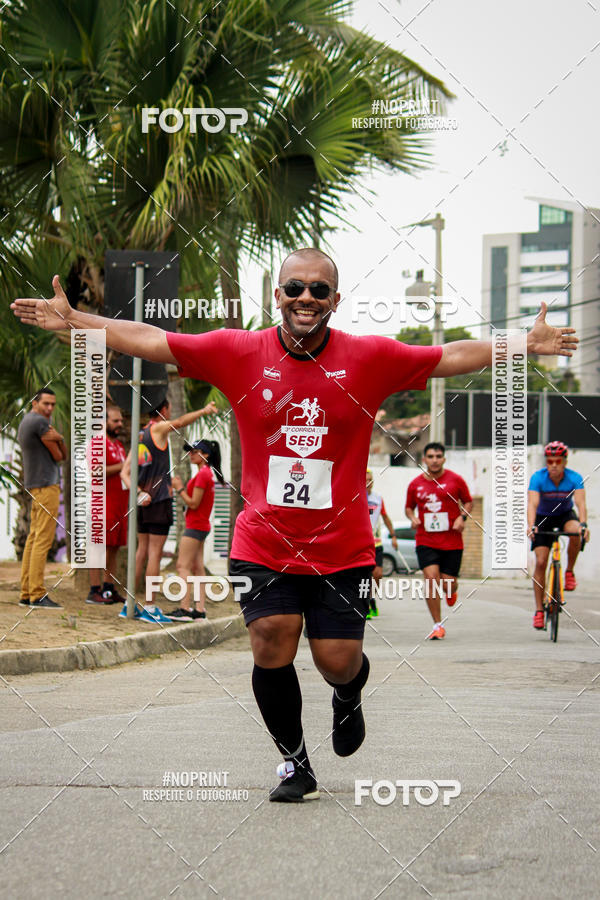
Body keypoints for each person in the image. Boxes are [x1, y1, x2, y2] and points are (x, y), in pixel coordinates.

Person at [12, 248, 578, 802]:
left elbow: (448, 355)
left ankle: (349, 688)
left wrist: (522, 344)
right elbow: (153, 340)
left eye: (319, 289)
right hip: (262, 540)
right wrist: (77, 319)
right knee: (269, 642)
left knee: (336, 661)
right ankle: (295, 763)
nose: (306, 298)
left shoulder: (368, 357)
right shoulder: (238, 351)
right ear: (277, 295)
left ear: (335, 300)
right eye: (295, 288)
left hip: (344, 547)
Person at [120, 395, 217, 622]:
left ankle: (129, 603)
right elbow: (181, 422)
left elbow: (125, 472)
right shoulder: (158, 428)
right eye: (169, 408)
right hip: (159, 500)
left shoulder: (140, 434)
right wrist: (203, 410)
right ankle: (151, 607)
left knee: (140, 551)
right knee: (154, 553)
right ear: (163, 408)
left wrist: (137, 493)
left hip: (142, 501)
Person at [405, 443, 473, 640]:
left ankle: (451, 591)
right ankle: (437, 625)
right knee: (431, 580)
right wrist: (412, 518)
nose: (434, 460)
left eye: (438, 456)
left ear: (444, 459)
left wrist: (462, 517)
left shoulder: (455, 480)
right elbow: (408, 507)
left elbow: (468, 501)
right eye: (430, 456)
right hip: (426, 539)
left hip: (452, 541)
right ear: (424, 459)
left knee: (448, 583)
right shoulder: (415, 484)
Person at [528, 441, 589, 630]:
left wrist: (584, 525)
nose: (553, 465)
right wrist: (531, 526)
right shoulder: (538, 478)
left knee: (576, 531)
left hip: (564, 515)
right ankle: (539, 610)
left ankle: (569, 571)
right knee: (540, 561)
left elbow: (580, 504)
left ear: (565, 462)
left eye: (558, 461)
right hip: (543, 517)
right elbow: (532, 504)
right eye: (550, 461)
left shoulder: (574, 478)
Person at [17, 388, 67, 610]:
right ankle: (37, 594)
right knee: (43, 540)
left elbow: (58, 450)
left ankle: (26, 592)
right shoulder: (39, 423)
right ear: (34, 402)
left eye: (53, 405)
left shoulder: (26, 420)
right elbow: (60, 455)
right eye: (46, 403)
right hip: (47, 486)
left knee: (33, 538)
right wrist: (61, 439)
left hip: (34, 486)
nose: (50, 408)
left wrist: (59, 438)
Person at [169, 439, 225, 621]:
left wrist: (179, 489)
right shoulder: (206, 473)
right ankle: (200, 610)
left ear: (205, 455)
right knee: (197, 568)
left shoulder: (203, 474)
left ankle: (184, 608)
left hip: (195, 526)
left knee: (182, 566)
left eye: (195, 451)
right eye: (190, 451)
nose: (191, 454)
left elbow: (193, 503)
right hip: (200, 525)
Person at [86, 404, 129, 605]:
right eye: (115, 421)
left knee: (114, 547)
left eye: (120, 420)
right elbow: (95, 471)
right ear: (103, 423)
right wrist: (124, 466)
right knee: (98, 547)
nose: (120, 424)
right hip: (102, 503)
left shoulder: (119, 446)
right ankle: (94, 590)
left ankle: (108, 589)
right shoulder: (97, 443)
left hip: (120, 503)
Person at [365, 468, 397, 618]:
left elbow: (385, 517)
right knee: (364, 576)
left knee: (377, 574)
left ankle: (371, 597)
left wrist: (394, 535)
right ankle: (366, 604)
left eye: (370, 480)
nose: (367, 483)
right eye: (364, 480)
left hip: (376, 542)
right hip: (362, 543)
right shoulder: (355, 496)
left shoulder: (378, 498)